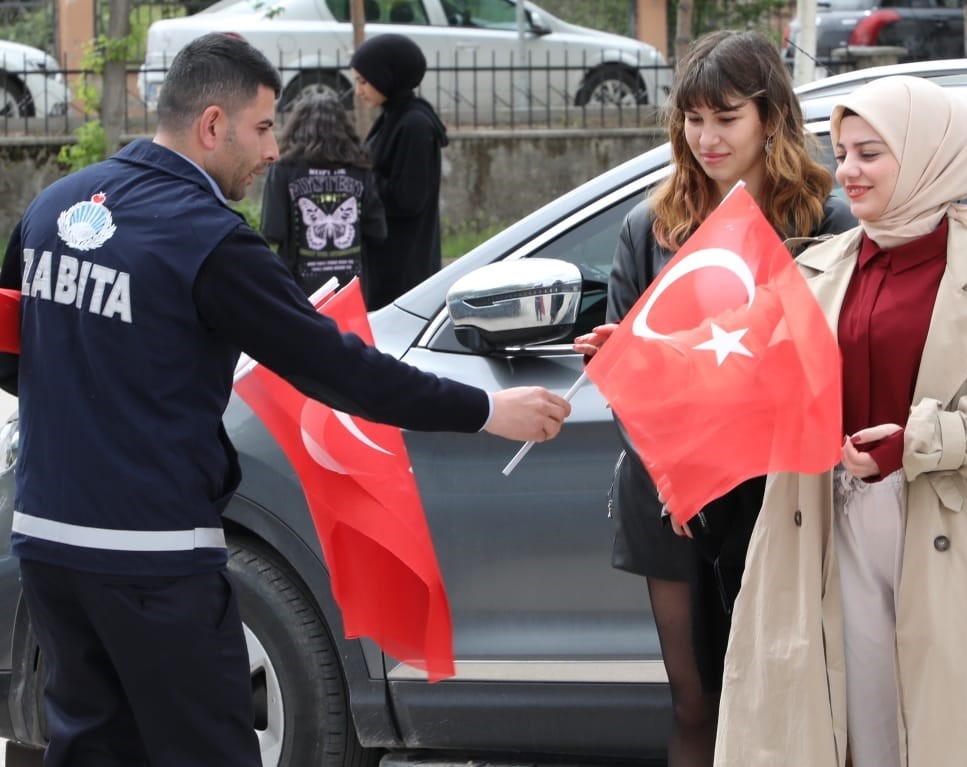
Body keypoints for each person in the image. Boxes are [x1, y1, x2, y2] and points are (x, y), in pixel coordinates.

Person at [0, 33, 570, 767]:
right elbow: (342, 372)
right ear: (212, 124)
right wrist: (487, 410)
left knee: (92, 746)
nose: (274, 150)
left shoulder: (53, 206)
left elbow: (14, 356)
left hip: (47, 543)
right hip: (153, 558)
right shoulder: (210, 241)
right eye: (264, 127)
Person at [714, 76, 967, 767]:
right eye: (843, 152)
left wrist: (920, 441)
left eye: (869, 153)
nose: (847, 171)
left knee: (942, 724)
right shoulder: (817, 268)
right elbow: (742, 361)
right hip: (826, 519)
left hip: (951, 526)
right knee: (853, 724)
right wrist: (645, 351)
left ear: (926, 157)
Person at [572, 30, 855, 767]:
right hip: (670, 491)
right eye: (693, 119)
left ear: (770, 117)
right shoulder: (650, 225)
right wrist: (669, 456)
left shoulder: (823, 222)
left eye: (726, 118)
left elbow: (829, 366)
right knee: (694, 703)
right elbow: (629, 377)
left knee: (780, 700)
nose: (706, 138)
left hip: (781, 488)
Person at [350, 33, 446, 309]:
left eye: (363, 81)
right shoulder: (394, 116)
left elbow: (409, 198)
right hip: (387, 258)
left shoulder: (414, 124)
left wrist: (359, 183)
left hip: (404, 267)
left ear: (386, 76)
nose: (358, 90)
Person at [260, 87, 386, 297]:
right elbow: (377, 231)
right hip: (351, 289)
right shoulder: (359, 168)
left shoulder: (284, 169)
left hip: (299, 292)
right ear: (343, 127)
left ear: (296, 126)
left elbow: (272, 231)